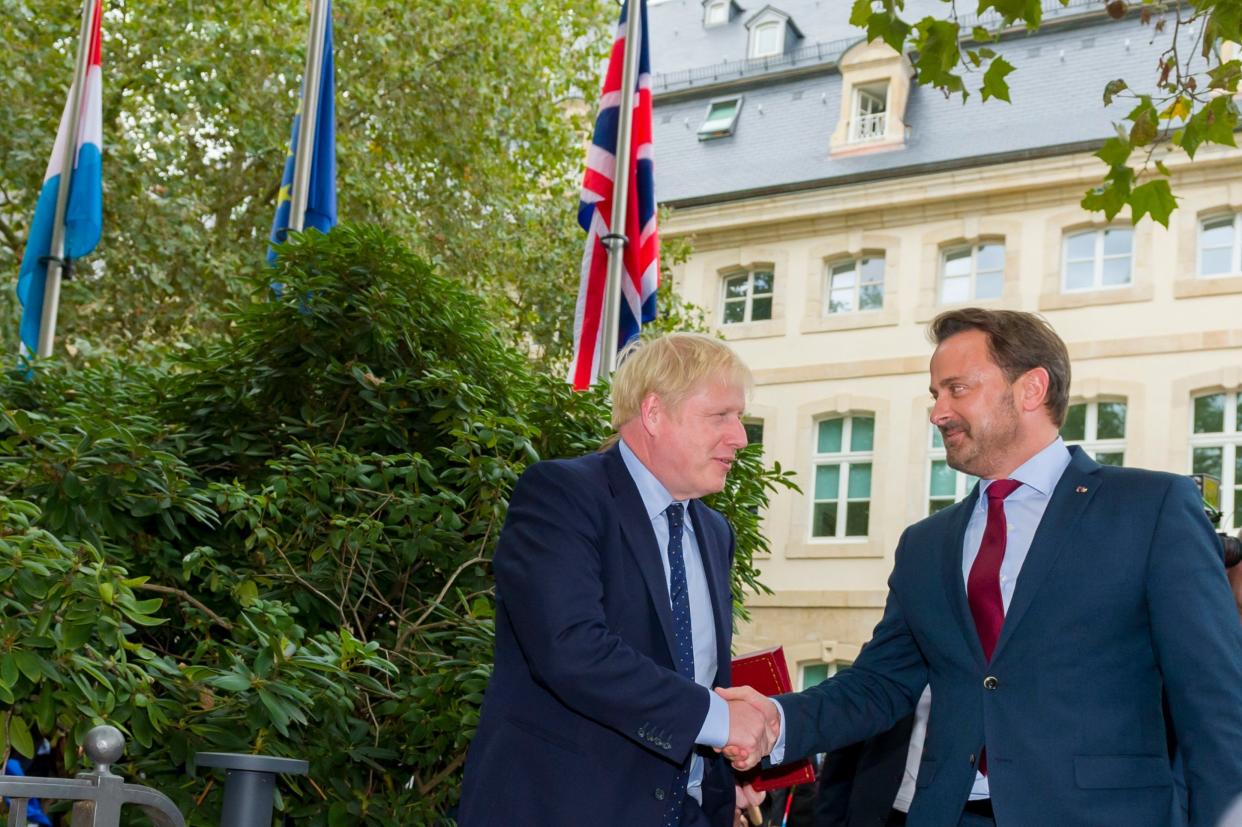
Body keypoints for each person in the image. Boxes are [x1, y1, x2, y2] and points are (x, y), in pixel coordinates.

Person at [719, 308, 1242, 826]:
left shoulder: (1150, 508)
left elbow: (1215, 704)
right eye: (934, 395)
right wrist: (775, 718)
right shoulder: (926, 544)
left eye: (956, 389)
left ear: (1031, 389)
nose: (937, 412)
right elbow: (880, 684)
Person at [458, 332, 771, 827]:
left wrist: (714, 782)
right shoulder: (562, 495)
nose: (740, 437)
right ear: (653, 413)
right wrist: (717, 720)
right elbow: (572, 649)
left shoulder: (715, 531)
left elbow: (693, 675)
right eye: (721, 416)